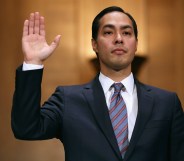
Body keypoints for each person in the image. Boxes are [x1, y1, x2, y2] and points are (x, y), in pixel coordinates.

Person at [11, 6, 184, 161]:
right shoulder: (68, 99)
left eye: (126, 32)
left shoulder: (167, 103)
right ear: (94, 44)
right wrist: (33, 62)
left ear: (136, 44)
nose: (118, 39)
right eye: (108, 32)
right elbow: (26, 128)